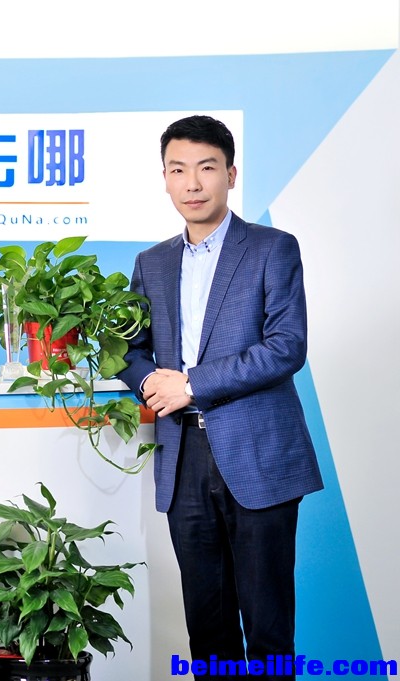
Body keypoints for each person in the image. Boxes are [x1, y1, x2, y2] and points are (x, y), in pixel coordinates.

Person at [118, 115, 323, 680]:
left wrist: (189, 384)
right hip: (183, 456)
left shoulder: (273, 248)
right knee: (206, 627)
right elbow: (129, 351)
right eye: (178, 170)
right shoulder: (151, 263)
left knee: (268, 626)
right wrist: (149, 384)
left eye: (206, 168)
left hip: (257, 453)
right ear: (164, 178)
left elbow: (286, 346)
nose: (192, 183)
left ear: (230, 175)